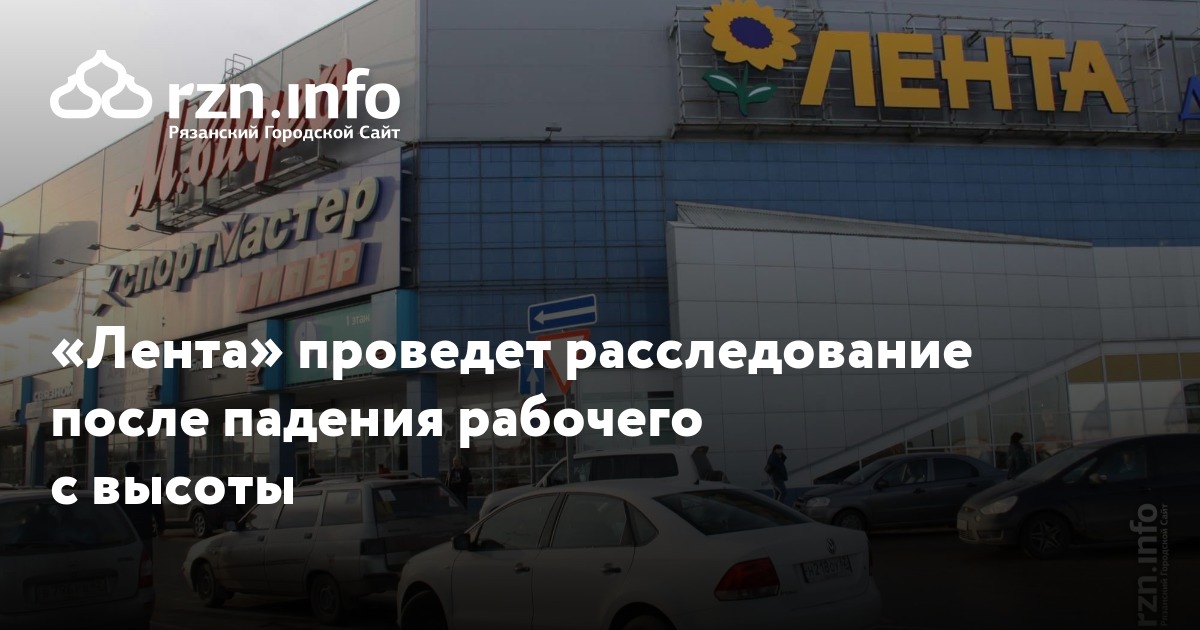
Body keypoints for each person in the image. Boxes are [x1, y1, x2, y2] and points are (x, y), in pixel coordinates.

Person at [121, 462, 165, 553]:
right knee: (145, 557)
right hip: (144, 531)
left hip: (126, 532)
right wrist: (160, 527)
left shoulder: (119, 490)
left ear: (125, 473)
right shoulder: (150, 488)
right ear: (139, 472)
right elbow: (158, 509)